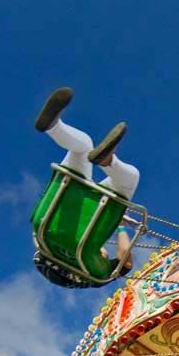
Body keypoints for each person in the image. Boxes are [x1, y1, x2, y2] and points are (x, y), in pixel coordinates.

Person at [32, 86, 138, 287]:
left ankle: (108, 162)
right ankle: (54, 127)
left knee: (129, 181)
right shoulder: (43, 239)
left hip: (71, 214)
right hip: (56, 207)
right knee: (83, 148)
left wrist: (120, 226)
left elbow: (125, 261)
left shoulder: (95, 270)